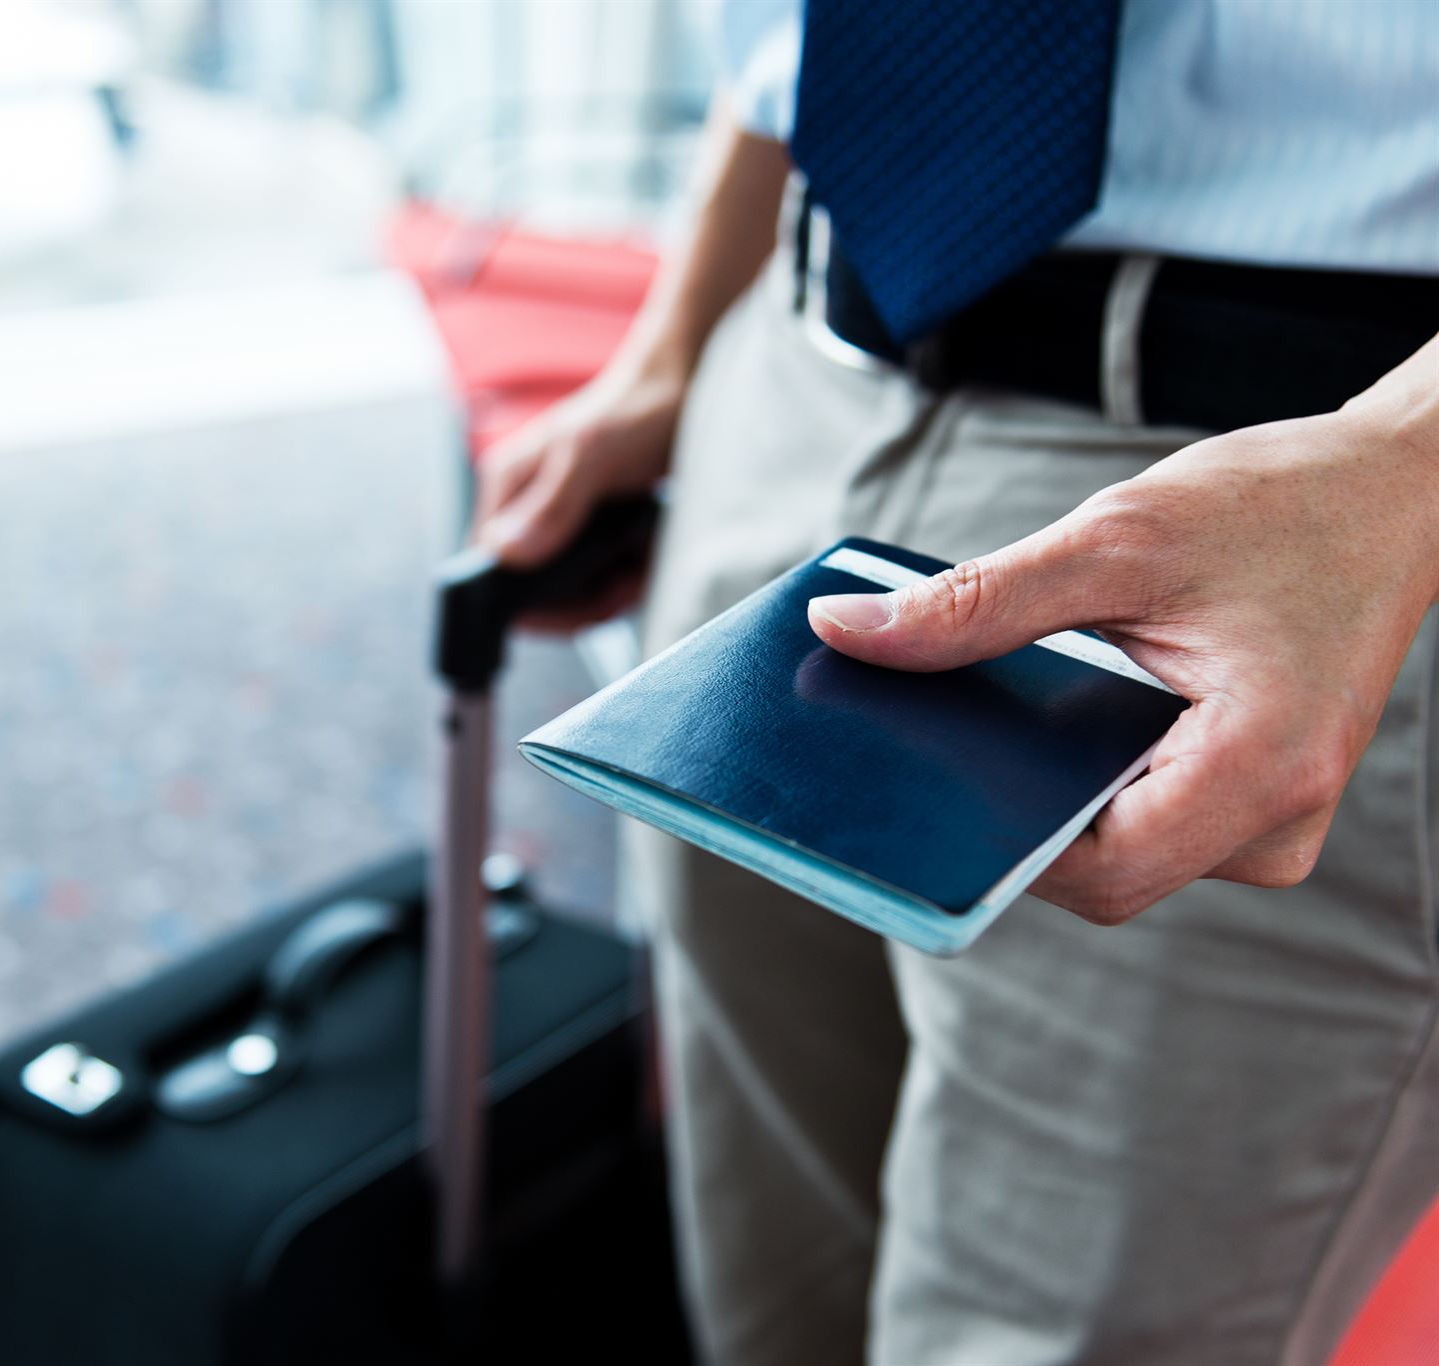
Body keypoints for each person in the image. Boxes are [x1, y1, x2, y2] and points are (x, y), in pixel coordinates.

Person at [470, 2, 1439, 1362]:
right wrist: (672, 351)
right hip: (799, 375)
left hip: (1292, 494)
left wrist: (1403, 472)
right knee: (774, 1282)